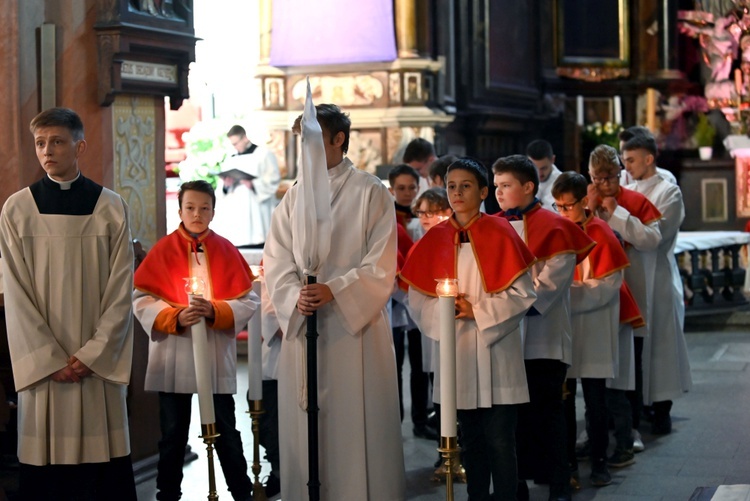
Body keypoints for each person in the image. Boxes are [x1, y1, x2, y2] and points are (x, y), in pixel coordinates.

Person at [263, 103, 406, 500]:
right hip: (305, 323)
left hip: (353, 331)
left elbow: (381, 264)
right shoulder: (293, 196)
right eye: (299, 143)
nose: (302, 152)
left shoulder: (371, 191)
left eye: (310, 141)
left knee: (354, 427)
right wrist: (296, 295)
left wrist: (335, 290)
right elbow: (276, 259)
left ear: (338, 139)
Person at [0, 107, 137, 500]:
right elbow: (17, 293)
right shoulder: (17, 209)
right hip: (46, 371)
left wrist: (94, 353)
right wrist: (48, 358)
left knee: (101, 474)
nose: (47, 151)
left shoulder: (110, 207)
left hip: (95, 368)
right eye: (40, 143)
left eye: (57, 142)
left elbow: (120, 288)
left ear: (80, 146)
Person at [401, 158, 537, 501]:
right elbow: (416, 299)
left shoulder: (501, 231)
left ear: (483, 192)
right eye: (451, 186)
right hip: (457, 350)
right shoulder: (436, 238)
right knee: (472, 440)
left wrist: (476, 310)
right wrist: (445, 311)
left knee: (501, 440)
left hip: (496, 350)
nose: (457, 193)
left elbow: (524, 293)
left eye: (465, 186)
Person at [133, 180, 258, 501]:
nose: (197, 214)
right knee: (172, 435)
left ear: (214, 212)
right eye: (190, 207)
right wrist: (174, 317)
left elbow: (247, 301)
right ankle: (167, 495)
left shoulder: (227, 250)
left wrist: (215, 310)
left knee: (227, 432)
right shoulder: (163, 249)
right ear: (179, 210)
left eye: (204, 208)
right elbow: (141, 299)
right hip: (174, 354)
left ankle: (242, 493)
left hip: (213, 354)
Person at [492, 154, 594, 501]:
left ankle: (559, 484)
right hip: (504, 339)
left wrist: (500, 308)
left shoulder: (557, 227)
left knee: (549, 416)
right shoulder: (492, 227)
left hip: (544, 339)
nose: (499, 193)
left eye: (506, 186)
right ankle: (515, 485)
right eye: (496, 187)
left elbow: (549, 288)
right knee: (511, 419)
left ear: (529, 187)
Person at [551, 172, 628, 487]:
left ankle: (600, 463)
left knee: (596, 403)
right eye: (557, 206)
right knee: (565, 402)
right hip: (564, 331)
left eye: (568, 206)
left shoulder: (601, 233)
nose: (562, 213)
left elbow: (609, 285)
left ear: (585, 201)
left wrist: (565, 294)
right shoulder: (555, 232)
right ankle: (567, 463)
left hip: (594, 329)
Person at [587, 144, 663, 451]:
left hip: (632, 291)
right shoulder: (583, 201)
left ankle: (631, 428)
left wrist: (616, 212)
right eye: (599, 178)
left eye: (611, 177)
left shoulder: (636, 201)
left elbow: (652, 240)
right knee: (596, 369)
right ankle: (598, 428)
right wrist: (591, 210)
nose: (606, 184)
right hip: (596, 296)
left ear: (620, 172)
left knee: (631, 364)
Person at [620, 132, 692, 434]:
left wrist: (619, 220)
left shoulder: (668, 191)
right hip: (629, 274)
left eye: (632, 160)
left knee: (661, 345)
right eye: (624, 160)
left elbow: (654, 238)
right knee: (633, 347)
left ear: (649, 159)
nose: (627, 166)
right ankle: (634, 408)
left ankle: (661, 408)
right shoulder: (624, 186)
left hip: (657, 275)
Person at [213, 125, 281, 248]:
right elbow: (222, 188)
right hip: (236, 211)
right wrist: (226, 185)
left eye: (236, 143)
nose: (234, 147)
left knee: (258, 244)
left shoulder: (264, 154)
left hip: (256, 207)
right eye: (232, 144)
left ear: (244, 138)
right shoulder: (230, 158)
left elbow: (273, 178)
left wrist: (254, 184)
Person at [389, 164, 424, 241]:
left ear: (418, 188)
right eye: (401, 188)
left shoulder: (425, 213)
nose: (407, 193)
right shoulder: (388, 216)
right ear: (391, 190)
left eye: (412, 188)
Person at [526, 139, 562, 211]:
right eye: (535, 168)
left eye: (543, 168)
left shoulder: (563, 183)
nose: (539, 173)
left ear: (552, 160)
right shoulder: (522, 177)